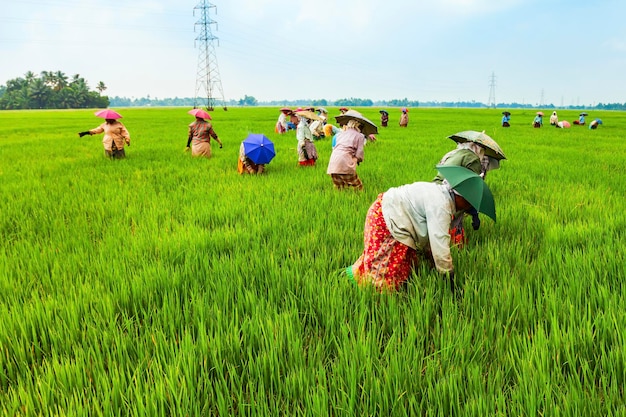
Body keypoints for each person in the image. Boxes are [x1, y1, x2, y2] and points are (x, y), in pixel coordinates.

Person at [347, 166, 494, 291]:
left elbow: (432, 237)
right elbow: (440, 245)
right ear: (462, 198)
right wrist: (449, 279)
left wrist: (432, 259)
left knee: (404, 266)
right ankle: (368, 297)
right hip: (386, 218)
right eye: (470, 202)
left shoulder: (441, 194)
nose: (470, 207)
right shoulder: (441, 205)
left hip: (387, 212)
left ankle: (358, 281)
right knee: (384, 276)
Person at [327, 110, 367, 190]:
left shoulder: (339, 134)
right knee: (358, 187)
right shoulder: (360, 136)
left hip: (333, 163)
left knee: (339, 188)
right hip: (345, 163)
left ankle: (339, 200)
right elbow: (359, 154)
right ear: (358, 125)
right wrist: (358, 160)